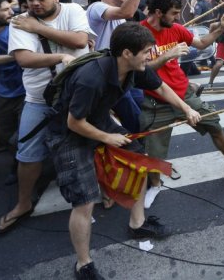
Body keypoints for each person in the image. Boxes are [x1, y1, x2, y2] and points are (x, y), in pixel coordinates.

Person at [51, 22, 200, 280]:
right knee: (84, 201)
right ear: (127, 53)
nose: (150, 57)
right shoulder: (91, 78)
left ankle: (137, 224)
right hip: (69, 135)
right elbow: (73, 122)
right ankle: (83, 264)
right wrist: (108, 137)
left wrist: (186, 109)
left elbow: (161, 87)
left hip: (97, 121)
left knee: (138, 161)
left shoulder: (134, 67)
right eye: (145, 52)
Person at [139, 0, 224, 208]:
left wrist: (220, 30)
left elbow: (202, 43)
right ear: (158, 12)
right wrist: (166, 56)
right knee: (154, 148)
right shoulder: (140, 33)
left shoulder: (175, 29)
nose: (177, 18)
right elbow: (139, 71)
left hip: (184, 92)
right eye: (173, 13)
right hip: (157, 100)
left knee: (215, 125)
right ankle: (154, 184)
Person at [0, 0, 93, 234]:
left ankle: (104, 192)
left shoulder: (72, 10)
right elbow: (25, 59)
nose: (34, 4)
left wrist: (38, 28)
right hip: (39, 98)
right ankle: (23, 203)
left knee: (95, 144)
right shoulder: (19, 22)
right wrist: (61, 55)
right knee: (27, 154)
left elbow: (80, 41)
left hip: (80, 94)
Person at [86, 0, 151, 135]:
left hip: (125, 72)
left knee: (142, 111)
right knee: (134, 118)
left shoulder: (119, 16)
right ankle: (135, 151)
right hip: (108, 74)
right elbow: (127, 11)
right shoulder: (96, 7)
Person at [0, 0, 25, 184]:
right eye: (5, 9)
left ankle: (20, 170)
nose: (11, 11)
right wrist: (14, 56)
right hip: (4, 92)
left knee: (21, 136)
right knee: (6, 135)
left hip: (27, 91)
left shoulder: (17, 28)